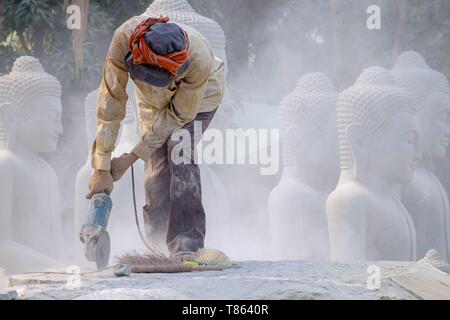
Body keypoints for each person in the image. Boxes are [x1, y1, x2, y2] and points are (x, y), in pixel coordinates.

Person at [85, 15, 225, 261]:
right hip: (151, 104)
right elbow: (111, 103)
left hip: (197, 100)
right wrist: (101, 165)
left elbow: (176, 117)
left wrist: (129, 158)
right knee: (156, 170)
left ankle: (186, 245)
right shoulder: (123, 40)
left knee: (179, 151)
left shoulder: (199, 61)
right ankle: (157, 244)